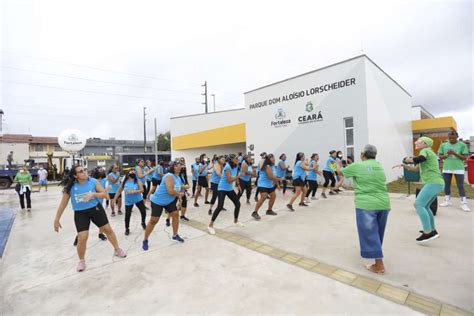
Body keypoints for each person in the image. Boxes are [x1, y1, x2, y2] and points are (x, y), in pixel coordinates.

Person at [54, 165, 126, 272]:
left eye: (84, 170)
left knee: (107, 230)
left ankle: (117, 249)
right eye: (81, 171)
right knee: (82, 237)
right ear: (75, 175)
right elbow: (62, 204)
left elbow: (105, 195)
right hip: (80, 213)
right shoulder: (71, 187)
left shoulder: (93, 181)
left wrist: (93, 194)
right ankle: (81, 260)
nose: (84, 172)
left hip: (95, 209)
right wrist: (57, 219)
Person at [342, 144, 391, 275]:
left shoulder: (357, 165)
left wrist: (337, 163)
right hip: (384, 204)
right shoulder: (379, 165)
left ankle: (379, 266)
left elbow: (341, 173)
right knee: (377, 234)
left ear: (363, 155)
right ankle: (376, 261)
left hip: (366, 205)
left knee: (370, 234)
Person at [396, 136, 444, 243]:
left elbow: (420, 159)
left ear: (426, 144)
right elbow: (416, 169)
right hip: (437, 183)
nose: (416, 142)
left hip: (433, 182)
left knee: (418, 204)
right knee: (426, 206)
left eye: (419, 141)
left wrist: (410, 159)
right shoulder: (428, 153)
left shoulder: (425, 151)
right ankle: (432, 230)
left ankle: (427, 232)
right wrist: (404, 165)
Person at [143, 161, 185, 250]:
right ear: (172, 167)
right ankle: (145, 240)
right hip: (158, 200)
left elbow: (179, 189)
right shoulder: (169, 176)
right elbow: (170, 191)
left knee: (175, 215)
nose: (179, 167)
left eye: (180, 166)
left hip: (169, 201)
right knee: (154, 220)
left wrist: (180, 200)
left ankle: (175, 235)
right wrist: (180, 195)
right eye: (177, 166)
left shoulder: (178, 177)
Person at [208, 154, 243, 235]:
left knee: (238, 204)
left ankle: (236, 221)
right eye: (235, 158)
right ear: (231, 160)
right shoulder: (227, 167)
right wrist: (239, 176)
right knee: (220, 206)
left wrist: (238, 185)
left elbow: (234, 176)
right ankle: (210, 225)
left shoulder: (235, 166)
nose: (237, 159)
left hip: (229, 189)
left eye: (237, 158)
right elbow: (230, 180)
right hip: (222, 188)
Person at [438, 131, 470, 211]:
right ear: (448, 137)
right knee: (447, 184)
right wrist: (446, 155)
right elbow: (440, 157)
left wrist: (455, 153)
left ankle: (463, 203)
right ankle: (447, 200)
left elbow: (465, 158)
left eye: (453, 138)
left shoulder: (462, 145)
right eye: (450, 138)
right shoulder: (443, 145)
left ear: (457, 136)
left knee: (460, 185)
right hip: (447, 168)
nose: (451, 139)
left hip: (459, 168)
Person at [252, 154, 285, 220]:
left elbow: (274, 176)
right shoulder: (267, 166)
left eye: (274, 159)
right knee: (263, 197)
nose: (274, 160)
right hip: (262, 184)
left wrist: (278, 185)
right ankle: (255, 212)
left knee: (273, 196)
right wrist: (280, 179)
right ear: (268, 160)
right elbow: (271, 177)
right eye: (272, 159)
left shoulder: (272, 166)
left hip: (269, 185)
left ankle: (269, 210)